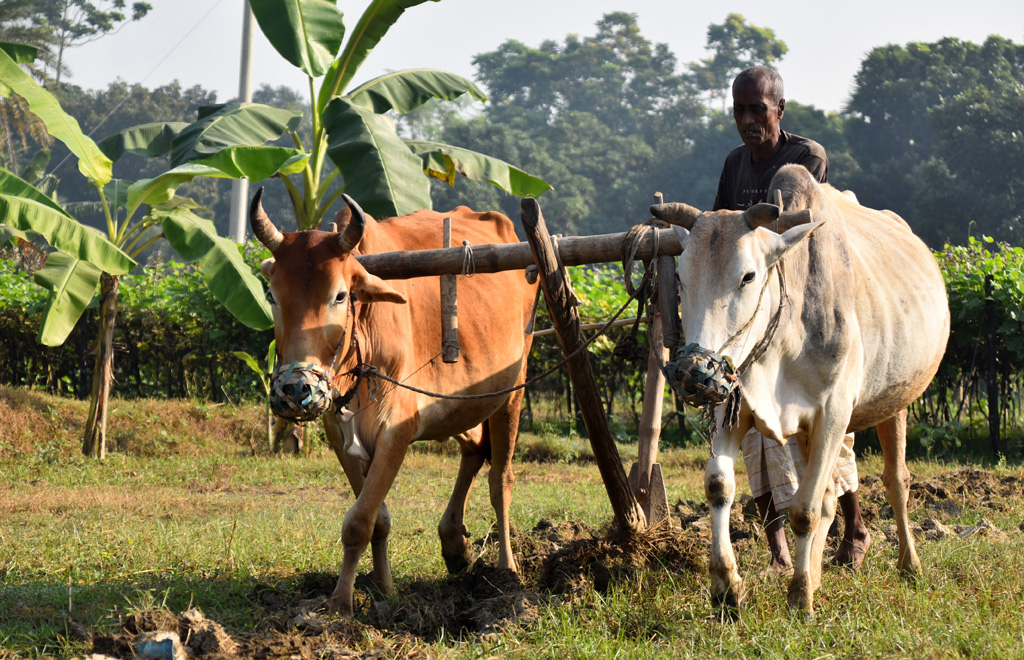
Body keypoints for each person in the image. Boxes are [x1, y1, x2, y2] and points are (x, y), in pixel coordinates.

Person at [714, 65, 872, 572]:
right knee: (755, 436)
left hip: (800, 319)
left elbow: (803, 232)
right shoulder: (734, 164)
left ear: (779, 110)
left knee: (825, 429)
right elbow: (721, 231)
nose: (747, 120)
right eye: (739, 110)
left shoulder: (806, 159)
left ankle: (855, 527)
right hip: (751, 321)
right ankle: (778, 553)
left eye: (757, 109)